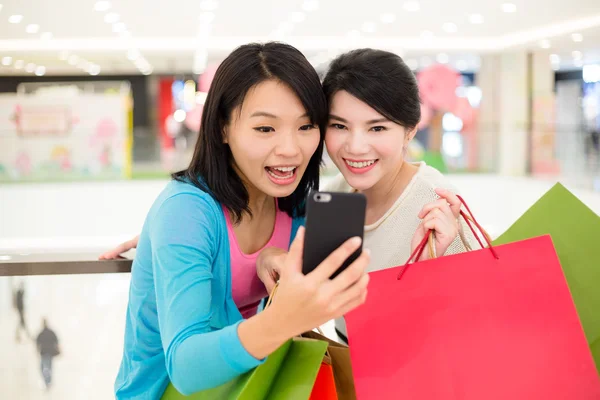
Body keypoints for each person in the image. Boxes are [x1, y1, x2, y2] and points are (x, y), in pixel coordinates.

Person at [103, 48, 474, 342]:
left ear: (410, 130)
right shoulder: (335, 197)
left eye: (377, 127)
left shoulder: (437, 207)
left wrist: (431, 269)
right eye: (339, 126)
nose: (356, 146)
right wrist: (171, 238)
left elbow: (470, 325)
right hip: (353, 369)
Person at [112, 42, 370, 399]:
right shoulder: (186, 212)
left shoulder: (294, 208)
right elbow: (185, 368)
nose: (291, 149)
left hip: (249, 387)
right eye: (266, 129)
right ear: (222, 128)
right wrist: (282, 321)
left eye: (306, 126)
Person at [36, 318, 60, 390]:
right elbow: (56, 341)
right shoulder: (49, 332)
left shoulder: (43, 333)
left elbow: (37, 343)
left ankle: (48, 383)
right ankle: (48, 382)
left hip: (46, 353)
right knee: (47, 368)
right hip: (47, 353)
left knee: (45, 368)